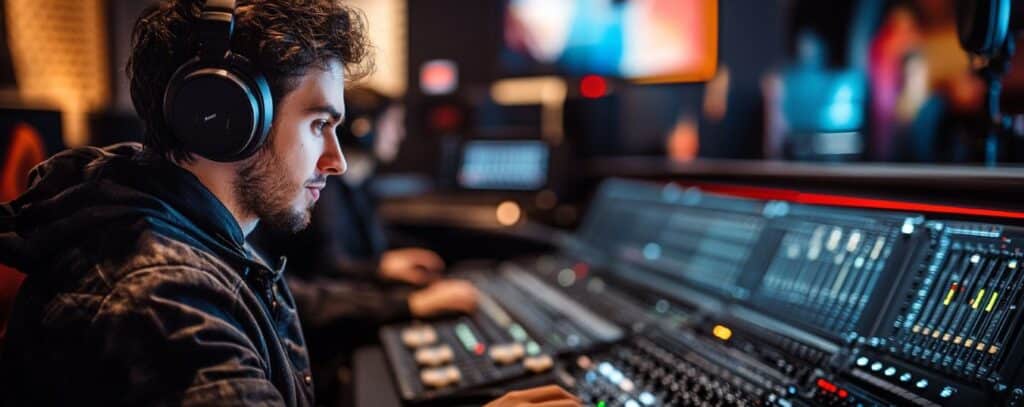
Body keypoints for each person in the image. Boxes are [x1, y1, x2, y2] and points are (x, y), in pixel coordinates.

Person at [0, 1, 579, 406]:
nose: (337, 160)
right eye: (319, 124)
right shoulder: (159, 300)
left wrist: (399, 304)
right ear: (226, 120)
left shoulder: (188, 238)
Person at [248, 88, 481, 405]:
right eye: (317, 125)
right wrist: (408, 303)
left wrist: (386, 266)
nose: (335, 162)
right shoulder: (315, 197)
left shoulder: (351, 184)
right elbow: (308, 289)